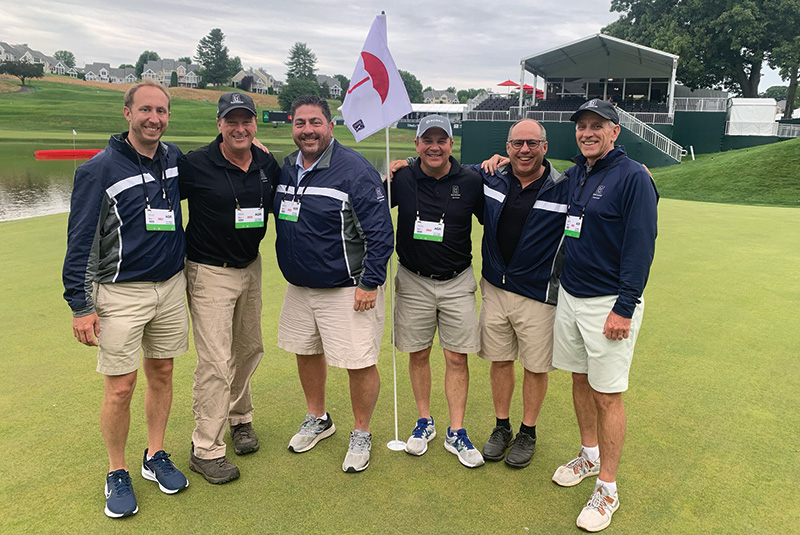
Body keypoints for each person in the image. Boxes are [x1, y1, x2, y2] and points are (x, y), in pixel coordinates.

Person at [63, 79, 189, 518]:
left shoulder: (173, 158)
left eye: (161, 111)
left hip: (170, 287)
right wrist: (80, 306)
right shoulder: (98, 169)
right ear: (127, 113)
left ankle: (154, 455)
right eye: (145, 110)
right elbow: (80, 241)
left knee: (163, 372)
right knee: (120, 387)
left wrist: (257, 151)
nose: (154, 118)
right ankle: (116, 471)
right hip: (119, 292)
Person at [551, 99, 658, 532]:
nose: (588, 132)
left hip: (609, 302)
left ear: (615, 131)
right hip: (571, 295)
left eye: (598, 125)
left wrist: (624, 307)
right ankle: (589, 456)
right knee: (580, 380)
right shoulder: (577, 173)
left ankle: (608, 489)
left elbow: (641, 245)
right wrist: (500, 162)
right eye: (582, 126)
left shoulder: (633, 176)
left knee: (608, 395)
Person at [273, 95, 393, 473]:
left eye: (315, 122)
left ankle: (361, 432)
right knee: (306, 351)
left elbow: (380, 233)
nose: (307, 130)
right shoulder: (288, 166)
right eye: (300, 123)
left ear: (330, 125)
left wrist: (370, 282)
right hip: (299, 287)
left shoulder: (354, 169)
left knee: (359, 362)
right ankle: (318, 418)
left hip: (347, 287)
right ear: (292, 126)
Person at [178, 92, 281, 484]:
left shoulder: (266, 163)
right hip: (209, 272)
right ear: (219, 124)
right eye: (231, 121)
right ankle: (206, 448)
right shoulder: (195, 164)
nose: (240, 128)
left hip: (250, 267)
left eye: (246, 121)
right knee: (216, 361)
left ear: (255, 124)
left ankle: (240, 418)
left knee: (248, 348)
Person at [473, 119, 570, 469]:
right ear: (507, 147)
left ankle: (528, 432)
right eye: (517, 143)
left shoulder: (564, 186)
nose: (524, 150)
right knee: (500, 360)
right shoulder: (491, 177)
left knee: (535, 366)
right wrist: (407, 162)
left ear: (545, 147)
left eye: (532, 143)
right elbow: (444, 168)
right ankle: (502, 427)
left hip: (537, 294)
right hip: (495, 288)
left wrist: (639, 173)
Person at [389, 115, 485, 468]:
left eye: (440, 140)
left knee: (457, 357)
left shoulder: (471, 181)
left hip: (457, 281)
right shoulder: (401, 178)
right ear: (416, 145)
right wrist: (390, 170)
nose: (434, 146)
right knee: (418, 354)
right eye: (426, 140)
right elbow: (367, 202)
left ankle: (456, 431)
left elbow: (494, 216)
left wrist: (499, 161)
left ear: (451, 144)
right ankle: (424, 421)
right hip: (413, 280)